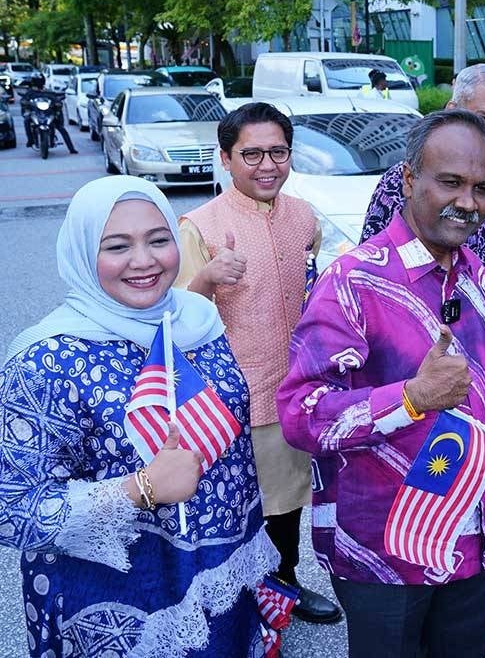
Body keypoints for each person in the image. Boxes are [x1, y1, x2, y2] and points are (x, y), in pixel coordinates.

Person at [277, 109, 485, 658]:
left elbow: (477, 382)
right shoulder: (353, 281)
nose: (469, 203)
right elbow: (300, 413)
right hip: (384, 548)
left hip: (470, 538)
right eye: (450, 182)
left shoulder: (473, 272)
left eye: (481, 187)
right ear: (408, 180)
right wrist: (409, 399)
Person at [0, 176, 278, 656]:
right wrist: (140, 489)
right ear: (83, 254)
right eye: (116, 246)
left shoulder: (197, 319)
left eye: (158, 239)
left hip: (221, 577)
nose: (144, 261)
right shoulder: (45, 360)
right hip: (116, 601)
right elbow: (12, 507)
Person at [361, 62, 485, 658]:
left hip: (481, 360)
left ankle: (466, 606)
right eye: (484, 117)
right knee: (418, 492)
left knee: (471, 491)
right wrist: (406, 387)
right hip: (412, 371)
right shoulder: (396, 189)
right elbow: (375, 287)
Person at [176, 102, 342, 624]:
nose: (267, 165)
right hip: (228, 396)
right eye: (252, 154)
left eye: (278, 151)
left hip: (291, 387)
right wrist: (206, 279)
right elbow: (173, 319)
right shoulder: (199, 226)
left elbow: (318, 276)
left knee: (287, 499)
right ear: (226, 158)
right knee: (232, 504)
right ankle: (236, 601)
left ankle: (286, 586)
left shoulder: (304, 217)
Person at [21, 81, 77, 154]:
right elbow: (23, 101)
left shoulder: (49, 92)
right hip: (36, 114)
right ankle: (30, 140)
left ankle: (71, 148)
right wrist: (25, 103)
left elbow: (56, 99)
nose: (38, 87)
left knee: (61, 128)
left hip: (48, 113)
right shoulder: (30, 93)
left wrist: (57, 103)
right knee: (27, 121)